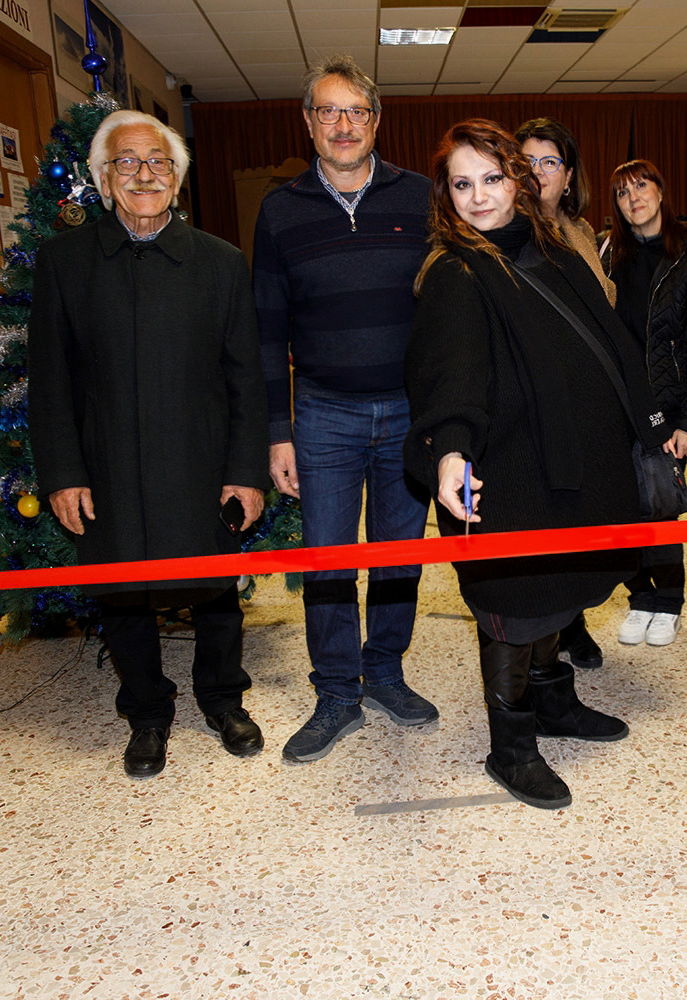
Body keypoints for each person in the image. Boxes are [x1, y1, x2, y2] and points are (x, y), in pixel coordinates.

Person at [404, 119, 669, 809]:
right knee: (510, 607)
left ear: (520, 183)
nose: (479, 196)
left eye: (492, 178)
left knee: (561, 589)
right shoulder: (453, 271)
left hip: (575, 464)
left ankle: (554, 702)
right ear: (446, 194)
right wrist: (451, 452)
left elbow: (612, 342)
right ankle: (511, 747)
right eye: (462, 184)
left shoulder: (552, 248)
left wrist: (649, 429)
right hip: (508, 471)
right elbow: (449, 375)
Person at [30, 109, 270, 779]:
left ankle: (223, 698)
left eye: (158, 163)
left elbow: (245, 378)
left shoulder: (220, 263)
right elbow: (50, 381)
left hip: (201, 461)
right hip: (106, 466)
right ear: (105, 181)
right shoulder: (65, 262)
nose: (144, 174)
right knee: (122, 591)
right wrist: (63, 473)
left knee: (216, 590)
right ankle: (146, 710)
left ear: (177, 178)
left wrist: (246, 471)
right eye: (127, 163)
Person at [253, 56, 438, 763]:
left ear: (376, 121)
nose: (342, 124)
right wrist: (279, 433)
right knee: (326, 561)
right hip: (323, 416)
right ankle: (336, 693)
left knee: (399, 559)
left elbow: (448, 305)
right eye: (328, 111)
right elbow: (267, 330)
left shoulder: (421, 197)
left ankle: (385, 671)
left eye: (355, 111)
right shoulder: (280, 209)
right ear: (308, 122)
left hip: (407, 413)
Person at [515, 116, 614, 671]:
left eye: (549, 162)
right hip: (538, 407)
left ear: (568, 175)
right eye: (526, 161)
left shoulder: (579, 233)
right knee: (544, 523)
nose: (537, 173)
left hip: (591, 405)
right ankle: (548, 633)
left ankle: (573, 620)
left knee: (583, 519)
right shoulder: (505, 231)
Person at [604, 159, 687, 648]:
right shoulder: (609, 255)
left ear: (661, 191)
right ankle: (639, 599)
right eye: (623, 193)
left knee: (661, 507)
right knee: (625, 507)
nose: (634, 198)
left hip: (666, 406)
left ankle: (667, 602)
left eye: (642, 186)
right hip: (616, 405)